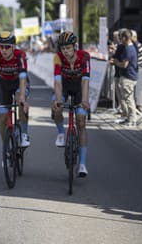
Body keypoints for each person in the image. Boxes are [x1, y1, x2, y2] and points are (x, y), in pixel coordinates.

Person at [51, 31, 91, 178]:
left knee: (81, 122)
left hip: (80, 89)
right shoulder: (58, 58)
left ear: (74, 46)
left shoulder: (84, 56)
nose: (65, 51)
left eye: (68, 48)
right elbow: (57, 81)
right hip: (65, 87)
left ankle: (82, 164)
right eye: (63, 49)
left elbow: (86, 81)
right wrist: (58, 100)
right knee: (55, 107)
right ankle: (61, 133)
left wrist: (85, 100)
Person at [0, 31, 31, 151]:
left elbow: (23, 79)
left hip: (19, 83)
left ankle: (24, 135)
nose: (4, 50)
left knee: (20, 100)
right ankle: (6, 147)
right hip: (5, 85)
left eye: (7, 47)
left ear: (13, 47)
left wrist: (22, 97)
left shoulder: (20, 55)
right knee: (3, 119)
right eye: (1, 47)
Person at [111, 29, 139, 126]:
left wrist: (116, 62)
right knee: (127, 98)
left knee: (128, 99)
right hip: (128, 76)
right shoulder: (130, 47)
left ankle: (132, 119)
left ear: (124, 38)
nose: (119, 40)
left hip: (128, 77)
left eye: (120, 37)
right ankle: (128, 117)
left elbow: (124, 65)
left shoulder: (128, 49)